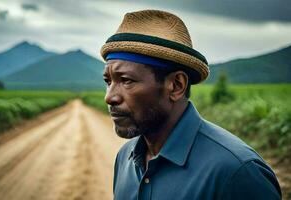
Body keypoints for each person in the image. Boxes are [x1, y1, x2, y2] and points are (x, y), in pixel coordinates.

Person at [100, 9, 282, 200]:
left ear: (176, 85)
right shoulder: (125, 158)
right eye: (108, 81)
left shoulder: (237, 172)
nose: (109, 97)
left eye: (126, 80)